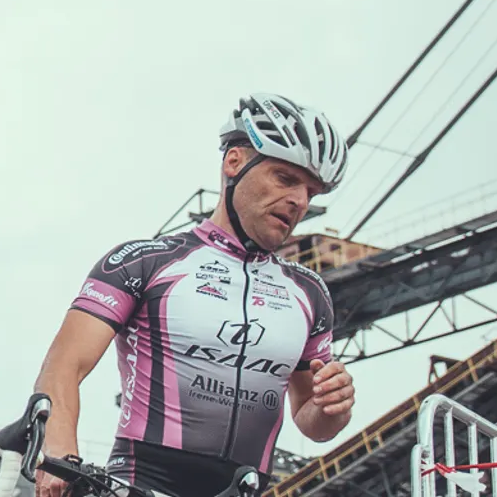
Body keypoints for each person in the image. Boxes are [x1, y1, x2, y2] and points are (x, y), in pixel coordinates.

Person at [25, 93, 358, 497]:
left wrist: (330, 408)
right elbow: (64, 365)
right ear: (234, 162)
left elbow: (311, 423)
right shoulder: (142, 262)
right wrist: (61, 453)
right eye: (285, 179)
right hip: (142, 482)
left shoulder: (309, 293)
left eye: (311, 191)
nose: (299, 201)